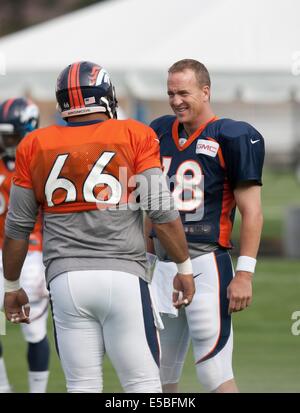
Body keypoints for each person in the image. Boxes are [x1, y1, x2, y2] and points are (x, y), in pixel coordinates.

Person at [2, 61, 195, 393]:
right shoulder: (134, 133)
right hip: (123, 274)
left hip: (65, 280)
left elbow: (17, 228)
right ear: (106, 96)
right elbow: (161, 212)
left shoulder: (35, 144)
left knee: (82, 386)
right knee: (144, 388)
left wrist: (11, 286)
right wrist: (184, 267)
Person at [146, 59, 264, 393]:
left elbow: (252, 212)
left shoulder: (232, 135)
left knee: (214, 372)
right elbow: (150, 204)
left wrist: (244, 273)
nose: (175, 100)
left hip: (206, 264)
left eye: (183, 92)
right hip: (164, 269)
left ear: (206, 91)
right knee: (157, 375)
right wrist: (147, 259)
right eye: (170, 92)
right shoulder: (157, 131)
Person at [0, 97, 50, 393]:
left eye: (10, 134)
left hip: (31, 253)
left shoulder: (39, 162)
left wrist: (47, 259)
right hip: (14, 250)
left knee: (34, 330)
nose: (5, 140)